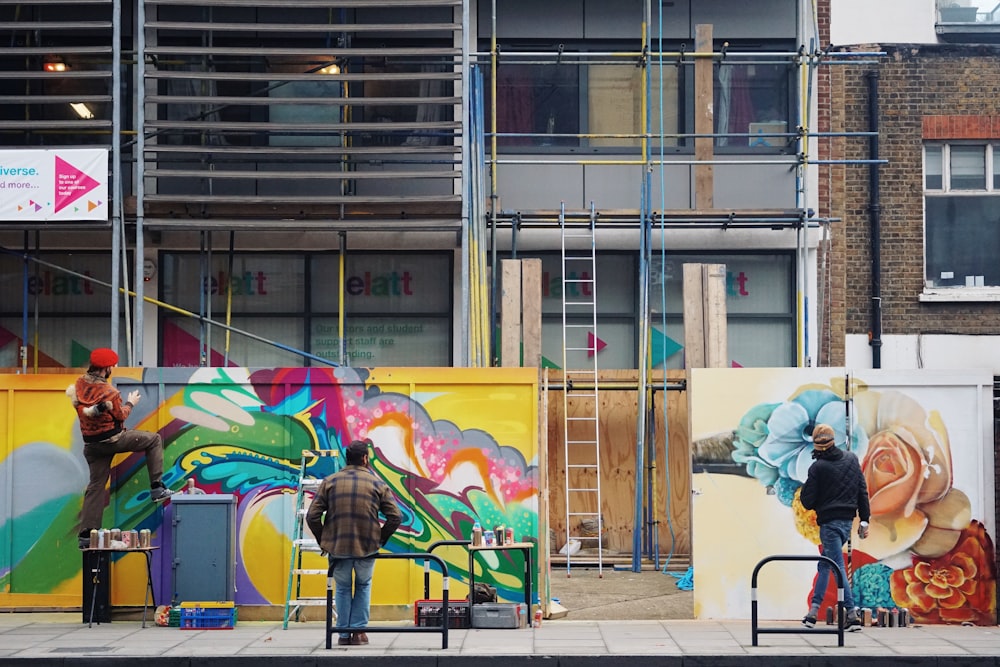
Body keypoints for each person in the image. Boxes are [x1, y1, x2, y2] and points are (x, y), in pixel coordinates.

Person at [67, 347, 174, 549]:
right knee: (154, 440)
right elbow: (121, 415)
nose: (113, 369)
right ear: (106, 368)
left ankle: (86, 535)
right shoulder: (110, 392)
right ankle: (157, 488)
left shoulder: (80, 384)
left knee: (96, 486)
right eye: (112, 366)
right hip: (113, 439)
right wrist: (130, 402)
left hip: (92, 446)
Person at [306, 439, 402, 646]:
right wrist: (380, 538)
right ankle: (358, 633)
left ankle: (342, 634)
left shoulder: (330, 481)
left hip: (337, 546)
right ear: (365, 459)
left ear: (347, 459)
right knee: (363, 585)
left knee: (341, 587)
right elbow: (395, 517)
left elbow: (312, 516)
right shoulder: (378, 484)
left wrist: (324, 539)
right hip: (367, 546)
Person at [799, 423, 871, 632]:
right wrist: (864, 520)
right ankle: (812, 613)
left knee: (837, 566)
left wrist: (812, 482)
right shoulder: (851, 459)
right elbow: (862, 491)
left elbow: (807, 501)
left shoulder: (818, 468)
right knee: (825, 565)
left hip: (829, 524)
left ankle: (851, 614)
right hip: (847, 523)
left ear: (817, 447)